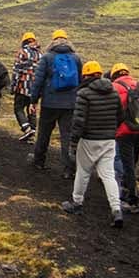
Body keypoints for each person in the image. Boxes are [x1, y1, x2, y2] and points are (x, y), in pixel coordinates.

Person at [61, 61, 125, 227]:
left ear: (86, 75)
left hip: (89, 140)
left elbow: (79, 121)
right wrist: (110, 131)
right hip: (109, 141)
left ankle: (77, 203)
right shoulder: (113, 91)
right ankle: (116, 209)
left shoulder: (84, 94)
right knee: (108, 175)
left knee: (83, 172)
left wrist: (73, 142)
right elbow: (121, 116)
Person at [29, 29, 83, 177]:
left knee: (44, 133)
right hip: (70, 104)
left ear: (53, 40)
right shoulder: (76, 58)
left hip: (50, 103)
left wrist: (33, 100)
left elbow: (38, 80)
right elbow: (81, 81)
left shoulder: (47, 57)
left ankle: (38, 161)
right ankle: (69, 169)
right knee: (67, 136)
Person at [109, 63, 139, 215]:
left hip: (124, 133)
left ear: (114, 75)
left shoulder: (115, 87)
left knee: (126, 165)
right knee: (131, 164)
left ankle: (131, 200)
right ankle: (126, 191)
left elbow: (111, 111)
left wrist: (117, 126)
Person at [10, 33, 42, 141]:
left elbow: (16, 71)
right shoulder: (40, 54)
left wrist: (13, 86)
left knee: (18, 108)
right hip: (36, 87)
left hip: (23, 86)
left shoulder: (22, 52)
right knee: (32, 109)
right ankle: (32, 135)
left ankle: (26, 128)